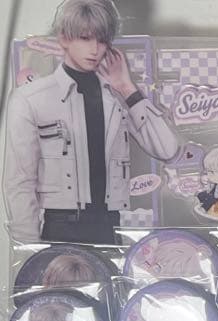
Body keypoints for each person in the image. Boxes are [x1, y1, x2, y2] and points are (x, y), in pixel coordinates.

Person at [4, 0, 181, 244]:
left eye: (102, 40)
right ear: (64, 38)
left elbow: (167, 150)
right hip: (59, 229)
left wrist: (126, 88)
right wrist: (28, 249)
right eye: (85, 38)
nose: (95, 49)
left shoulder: (115, 96)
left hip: (109, 228)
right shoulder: (31, 99)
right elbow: (19, 182)